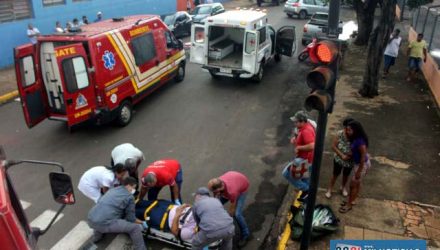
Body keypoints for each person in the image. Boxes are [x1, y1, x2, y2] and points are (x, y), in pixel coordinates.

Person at [87, 177, 147, 250]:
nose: (133, 190)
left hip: (91, 218)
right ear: (128, 185)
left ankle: (96, 238)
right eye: (133, 188)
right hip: (104, 222)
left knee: (101, 217)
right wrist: (142, 222)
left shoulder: (112, 190)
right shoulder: (129, 197)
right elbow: (131, 219)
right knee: (135, 228)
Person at [208, 171, 250, 247]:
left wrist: (226, 222)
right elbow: (215, 197)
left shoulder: (232, 192)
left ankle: (246, 234)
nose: (213, 193)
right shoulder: (218, 182)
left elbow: (231, 211)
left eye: (214, 191)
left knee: (237, 214)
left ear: (218, 189)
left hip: (242, 188)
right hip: (233, 181)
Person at [282, 110, 316, 202]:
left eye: (296, 121)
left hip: (305, 159)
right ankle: (307, 195)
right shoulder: (304, 127)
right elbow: (300, 136)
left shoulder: (306, 131)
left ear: (302, 121)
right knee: (305, 177)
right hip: (305, 159)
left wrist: (299, 148)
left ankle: (306, 189)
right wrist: (295, 138)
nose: (294, 123)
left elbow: (312, 146)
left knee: (286, 173)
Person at [339, 120, 370, 213]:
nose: (347, 132)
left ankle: (349, 205)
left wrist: (359, 171)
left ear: (355, 130)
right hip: (358, 164)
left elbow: (363, 157)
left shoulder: (360, 141)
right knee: (357, 184)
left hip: (362, 165)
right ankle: (352, 200)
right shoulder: (355, 138)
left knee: (352, 185)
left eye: (349, 130)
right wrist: (349, 154)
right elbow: (354, 150)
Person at [325, 118, 355, 198]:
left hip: (350, 161)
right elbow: (333, 146)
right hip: (339, 159)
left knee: (346, 175)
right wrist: (342, 155)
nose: (348, 130)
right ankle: (330, 189)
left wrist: (351, 154)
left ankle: (343, 187)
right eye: (347, 128)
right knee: (335, 174)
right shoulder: (339, 134)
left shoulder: (355, 135)